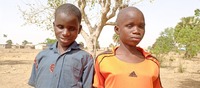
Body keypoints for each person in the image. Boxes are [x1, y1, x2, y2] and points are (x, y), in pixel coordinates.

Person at [93, 6, 162, 88]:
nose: (136, 31)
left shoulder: (152, 62)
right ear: (117, 29)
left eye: (141, 26)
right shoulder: (104, 59)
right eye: (130, 26)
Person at [28, 3, 94, 88]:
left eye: (72, 28)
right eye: (60, 27)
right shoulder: (41, 56)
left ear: (79, 29)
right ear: (54, 26)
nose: (66, 33)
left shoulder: (86, 59)